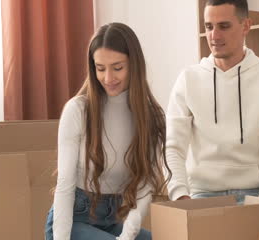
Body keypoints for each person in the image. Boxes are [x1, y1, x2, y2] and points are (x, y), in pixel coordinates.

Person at [165, 0, 259, 204]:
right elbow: (172, 147)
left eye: (224, 26)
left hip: (255, 193)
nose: (214, 36)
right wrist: (180, 195)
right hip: (200, 195)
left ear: (246, 26)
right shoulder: (188, 79)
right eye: (209, 27)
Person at [45, 22, 170, 240]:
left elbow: (145, 186)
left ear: (134, 64)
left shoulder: (150, 115)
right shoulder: (78, 110)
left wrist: (127, 236)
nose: (108, 78)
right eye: (100, 68)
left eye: (118, 67)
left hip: (113, 222)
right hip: (73, 222)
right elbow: (64, 187)